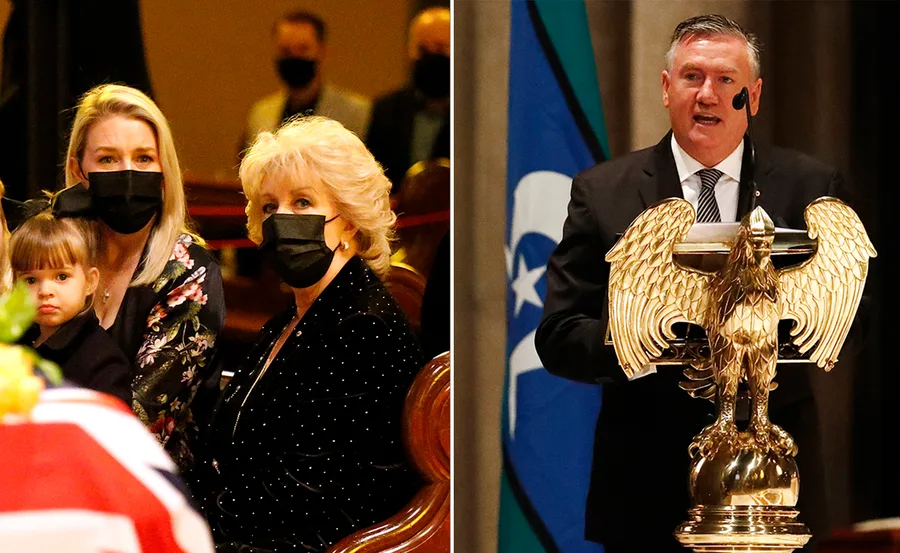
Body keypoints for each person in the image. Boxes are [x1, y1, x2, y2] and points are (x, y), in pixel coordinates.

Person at [535, 15, 843, 553]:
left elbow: (855, 323)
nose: (709, 95)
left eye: (727, 80)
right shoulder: (603, 192)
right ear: (665, 87)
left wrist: (766, 339)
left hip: (773, 490)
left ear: (754, 95)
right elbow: (560, 334)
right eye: (692, 77)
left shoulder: (809, 188)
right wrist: (645, 340)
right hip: (645, 489)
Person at [192, 116, 423, 552]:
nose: (282, 219)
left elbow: (314, 491)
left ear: (349, 221)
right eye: (270, 206)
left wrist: (194, 518)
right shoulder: (293, 316)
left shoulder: (363, 325)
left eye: (302, 203)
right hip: (247, 532)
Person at [57, 83, 226, 472]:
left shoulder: (189, 272)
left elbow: (138, 428)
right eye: (108, 159)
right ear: (78, 171)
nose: (128, 172)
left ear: (164, 174)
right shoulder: (54, 253)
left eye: (144, 158)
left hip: (149, 486)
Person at [11, 211, 131, 404]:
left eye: (61, 277)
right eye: (31, 280)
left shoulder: (103, 360)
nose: (45, 291)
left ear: (90, 282)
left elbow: (110, 427)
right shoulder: (14, 345)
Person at [242, 10, 371, 153]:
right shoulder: (261, 113)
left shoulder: (356, 113)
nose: (294, 58)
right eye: (285, 51)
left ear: (323, 52)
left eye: (303, 49)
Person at [365, 7, 450, 193]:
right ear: (409, 51)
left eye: (441, 48)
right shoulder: (385, 111)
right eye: (423, 49)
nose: (431, 57)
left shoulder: (475, 116)